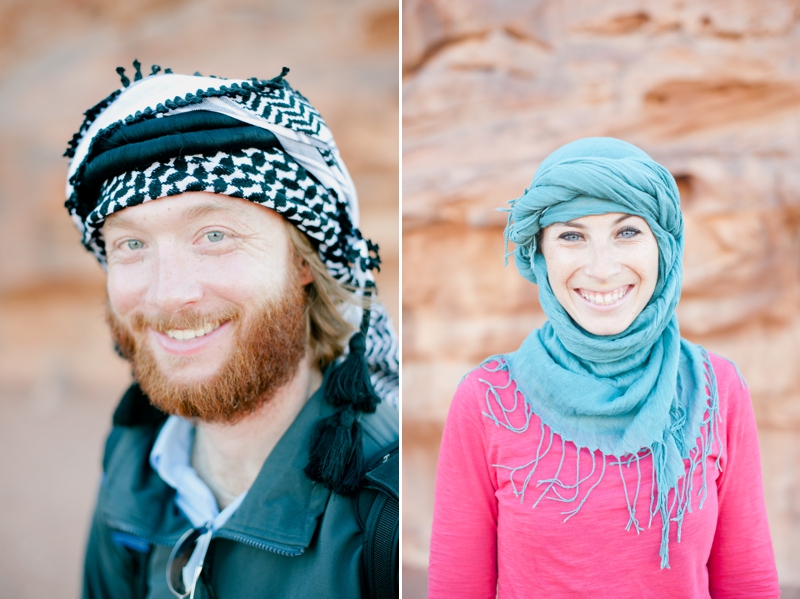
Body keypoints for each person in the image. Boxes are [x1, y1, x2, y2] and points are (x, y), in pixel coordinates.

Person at [64, 61, 398, 598]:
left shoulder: (391, 512)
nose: (169, 292)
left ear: (303, 260)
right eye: (132, 244)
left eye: (214, 234)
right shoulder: (133, 459)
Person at [428, 138, 779, 598]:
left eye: (627, 232)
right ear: (541, 256)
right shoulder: (487, 399)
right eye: (571, 236)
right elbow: (457, 588)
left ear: (664, 247)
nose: (601, 268)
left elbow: (747, 582)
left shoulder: (716, 388)